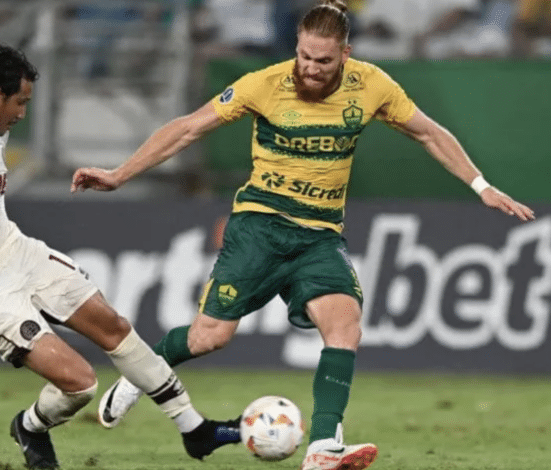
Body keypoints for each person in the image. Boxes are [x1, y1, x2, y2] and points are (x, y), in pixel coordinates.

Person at [70, 1, 536, 469]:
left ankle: (322, 447)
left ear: (346, 54)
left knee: (345, 325)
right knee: (208, 337)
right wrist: (120, 174)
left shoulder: (371, 85)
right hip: (261, 227)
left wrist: (481, 186)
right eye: (304, 57)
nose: (311, 69)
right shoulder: (264, 85)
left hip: (318, 237)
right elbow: (188, 128)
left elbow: (429, 134)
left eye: (324, 61)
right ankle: (140, 374)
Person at [0, 44, 241, 469]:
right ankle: (30, 426)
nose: (22, 113)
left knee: (113, 326)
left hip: (18, 251)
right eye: (20, 101)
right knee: (80, 385)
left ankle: (194, 428)